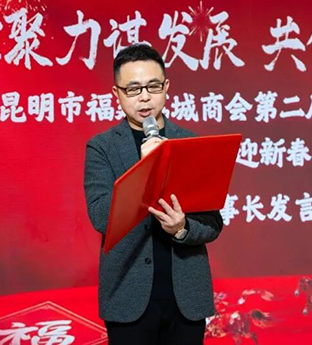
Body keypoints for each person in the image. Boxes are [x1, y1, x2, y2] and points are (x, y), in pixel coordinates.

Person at [83, 43, 223, 345]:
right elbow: (101, 217)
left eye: (153, 86)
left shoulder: (189, 143)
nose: (144, 97)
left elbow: (213, 223)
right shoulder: (102, 148)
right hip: (128, 298)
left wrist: (182, 229)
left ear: (166, 87)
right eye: (133, 89)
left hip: (185, 299)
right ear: (117, 93)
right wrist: (146, 168)